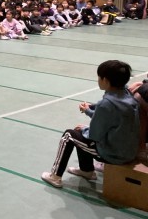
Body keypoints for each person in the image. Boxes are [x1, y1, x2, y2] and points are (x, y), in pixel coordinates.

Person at [42, 60, 140, 188]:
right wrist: (88, 111)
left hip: (113, 154)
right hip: (129, 151)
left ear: (105, 80)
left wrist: (85, 128)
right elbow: (110, 117)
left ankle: (55, 176)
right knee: (80, 133)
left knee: (70, 135)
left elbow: (94, 135)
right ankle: (86, 171)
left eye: (99, 77)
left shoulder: (106, 104)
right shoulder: (128, 95)